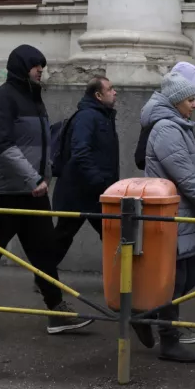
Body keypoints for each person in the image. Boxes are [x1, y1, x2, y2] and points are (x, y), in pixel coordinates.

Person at [0, 45, 94, 339]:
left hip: (32, 192)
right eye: (36, 67)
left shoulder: (34, 99)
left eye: (42, 67)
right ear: (21, 67)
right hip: (3, 193)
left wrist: (46, 173)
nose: (41, 71)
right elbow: (4, 146)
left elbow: (38, 142)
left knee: (44, 253)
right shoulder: (1, 100)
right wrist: (34, 179)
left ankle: (56, 311)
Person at [135, 70, 195, 363]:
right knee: (174, 280)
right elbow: (187, 178)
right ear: (176, 101)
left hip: (182, 213)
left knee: (194, 274)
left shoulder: (177, 125)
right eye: (190, 99)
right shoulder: (166, 129)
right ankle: (167, 339)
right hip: (170, 214)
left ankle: (145, 314)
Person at [52, 76, 119, 267]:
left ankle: (121, 281)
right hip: (81, 193)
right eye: (110, 89)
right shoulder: (87, 117)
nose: (115, 92)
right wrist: (99, 181)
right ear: (98, 95)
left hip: (94, 192)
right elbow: (80, 152)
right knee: (63, 236)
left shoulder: (102, 116)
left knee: (112, 234)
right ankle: (44, 277)